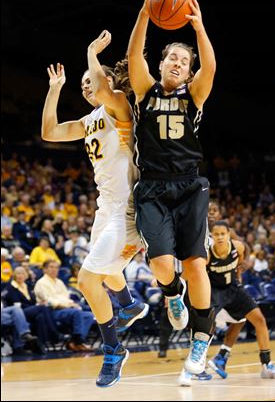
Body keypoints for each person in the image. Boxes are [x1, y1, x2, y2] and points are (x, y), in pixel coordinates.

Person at [41, 30, 148, 387]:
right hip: (105, 209)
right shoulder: (89, 121)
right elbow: (50, 133)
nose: (88, 87)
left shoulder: (119, 105)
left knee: (88, 280)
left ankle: (114, 350)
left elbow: (103, 90)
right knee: (107, 272)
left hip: (125, 209)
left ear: (110, 81)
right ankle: (129, 304)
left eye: (93, 80)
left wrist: (90, 51)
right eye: (84, 84)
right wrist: (56, 90)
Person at [127, 0, 216, 374]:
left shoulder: (193, 94)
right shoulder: (145, 93)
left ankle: (200, 340)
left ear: (188, 70)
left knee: (196, 264)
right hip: (152, 188)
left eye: (184, 61)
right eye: (172, 58)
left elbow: (210, 66)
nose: (178, 63)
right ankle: (170, 293)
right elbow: (133, 56)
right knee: (163, 265)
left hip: (190, 186)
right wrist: (146, 13)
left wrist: (198, 28)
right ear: (160, 63)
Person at [207, 221, 275, 379]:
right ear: (211, 236)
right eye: (217, 234)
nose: (220, 237)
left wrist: (238, 276)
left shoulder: (238, 247)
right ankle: (197, 365)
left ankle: (267, 365)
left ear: (229, 234)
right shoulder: (207, 253)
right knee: (205, 327)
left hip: (233, 288)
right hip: (214, 291)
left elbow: (241, 258)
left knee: (259, 320)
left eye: (223, 234)